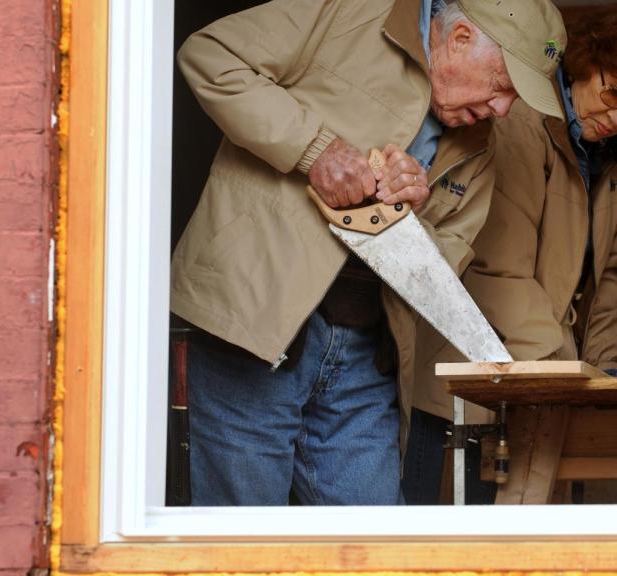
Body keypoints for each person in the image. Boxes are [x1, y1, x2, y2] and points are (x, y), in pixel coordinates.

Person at [172, 0, 566, 506]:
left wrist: (409, 215)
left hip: (363, 353)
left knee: (376, 544)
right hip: (255, 321)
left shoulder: (479, 145)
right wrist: (317, 149)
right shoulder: (350, 12)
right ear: (461, 38)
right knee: (244, 542)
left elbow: (444, 261)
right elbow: (209, 55)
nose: (504, 109)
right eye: (502, 84)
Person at [405, 0, 617, 504]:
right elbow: (497, 275)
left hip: (541, 377)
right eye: (615, 93)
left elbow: (606, 284)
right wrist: (570, 378)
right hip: (468, 382)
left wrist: (606, 381)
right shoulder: (519, 120)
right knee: (443, 542)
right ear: (587, 59)